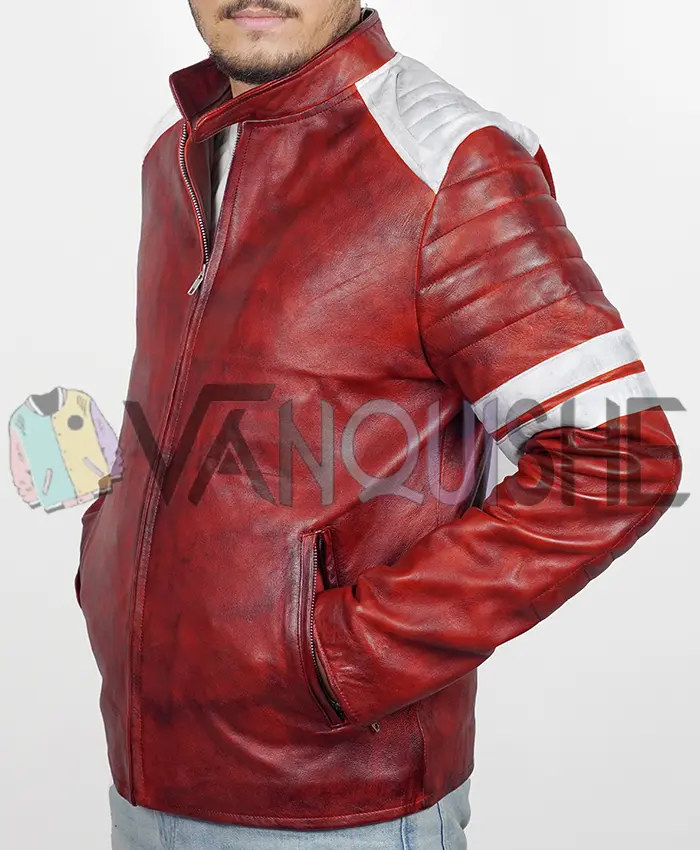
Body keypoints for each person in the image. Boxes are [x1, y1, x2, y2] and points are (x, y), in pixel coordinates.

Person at [74, 2, 683, 848]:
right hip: (143, 778)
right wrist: (106, 535)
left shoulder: (447, 160)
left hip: (339, 808)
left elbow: (619, 461)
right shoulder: (176, 149)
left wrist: (341, 658)